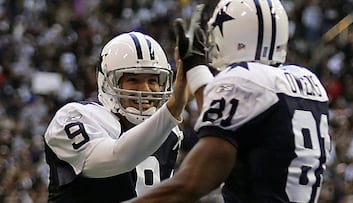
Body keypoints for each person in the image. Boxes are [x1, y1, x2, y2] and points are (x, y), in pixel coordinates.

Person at [126, 0, 331, 202]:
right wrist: (196, 66)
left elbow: (190, 184)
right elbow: (233, 119)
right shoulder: (307, 82)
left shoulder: (243, 81)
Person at [44, 31, 188, 203]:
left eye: (152, 80)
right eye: (133, 80)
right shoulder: (75, 117)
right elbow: (118, 158)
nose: (145, 89)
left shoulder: (170, 132)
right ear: (107, 84)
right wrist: (172, 109)